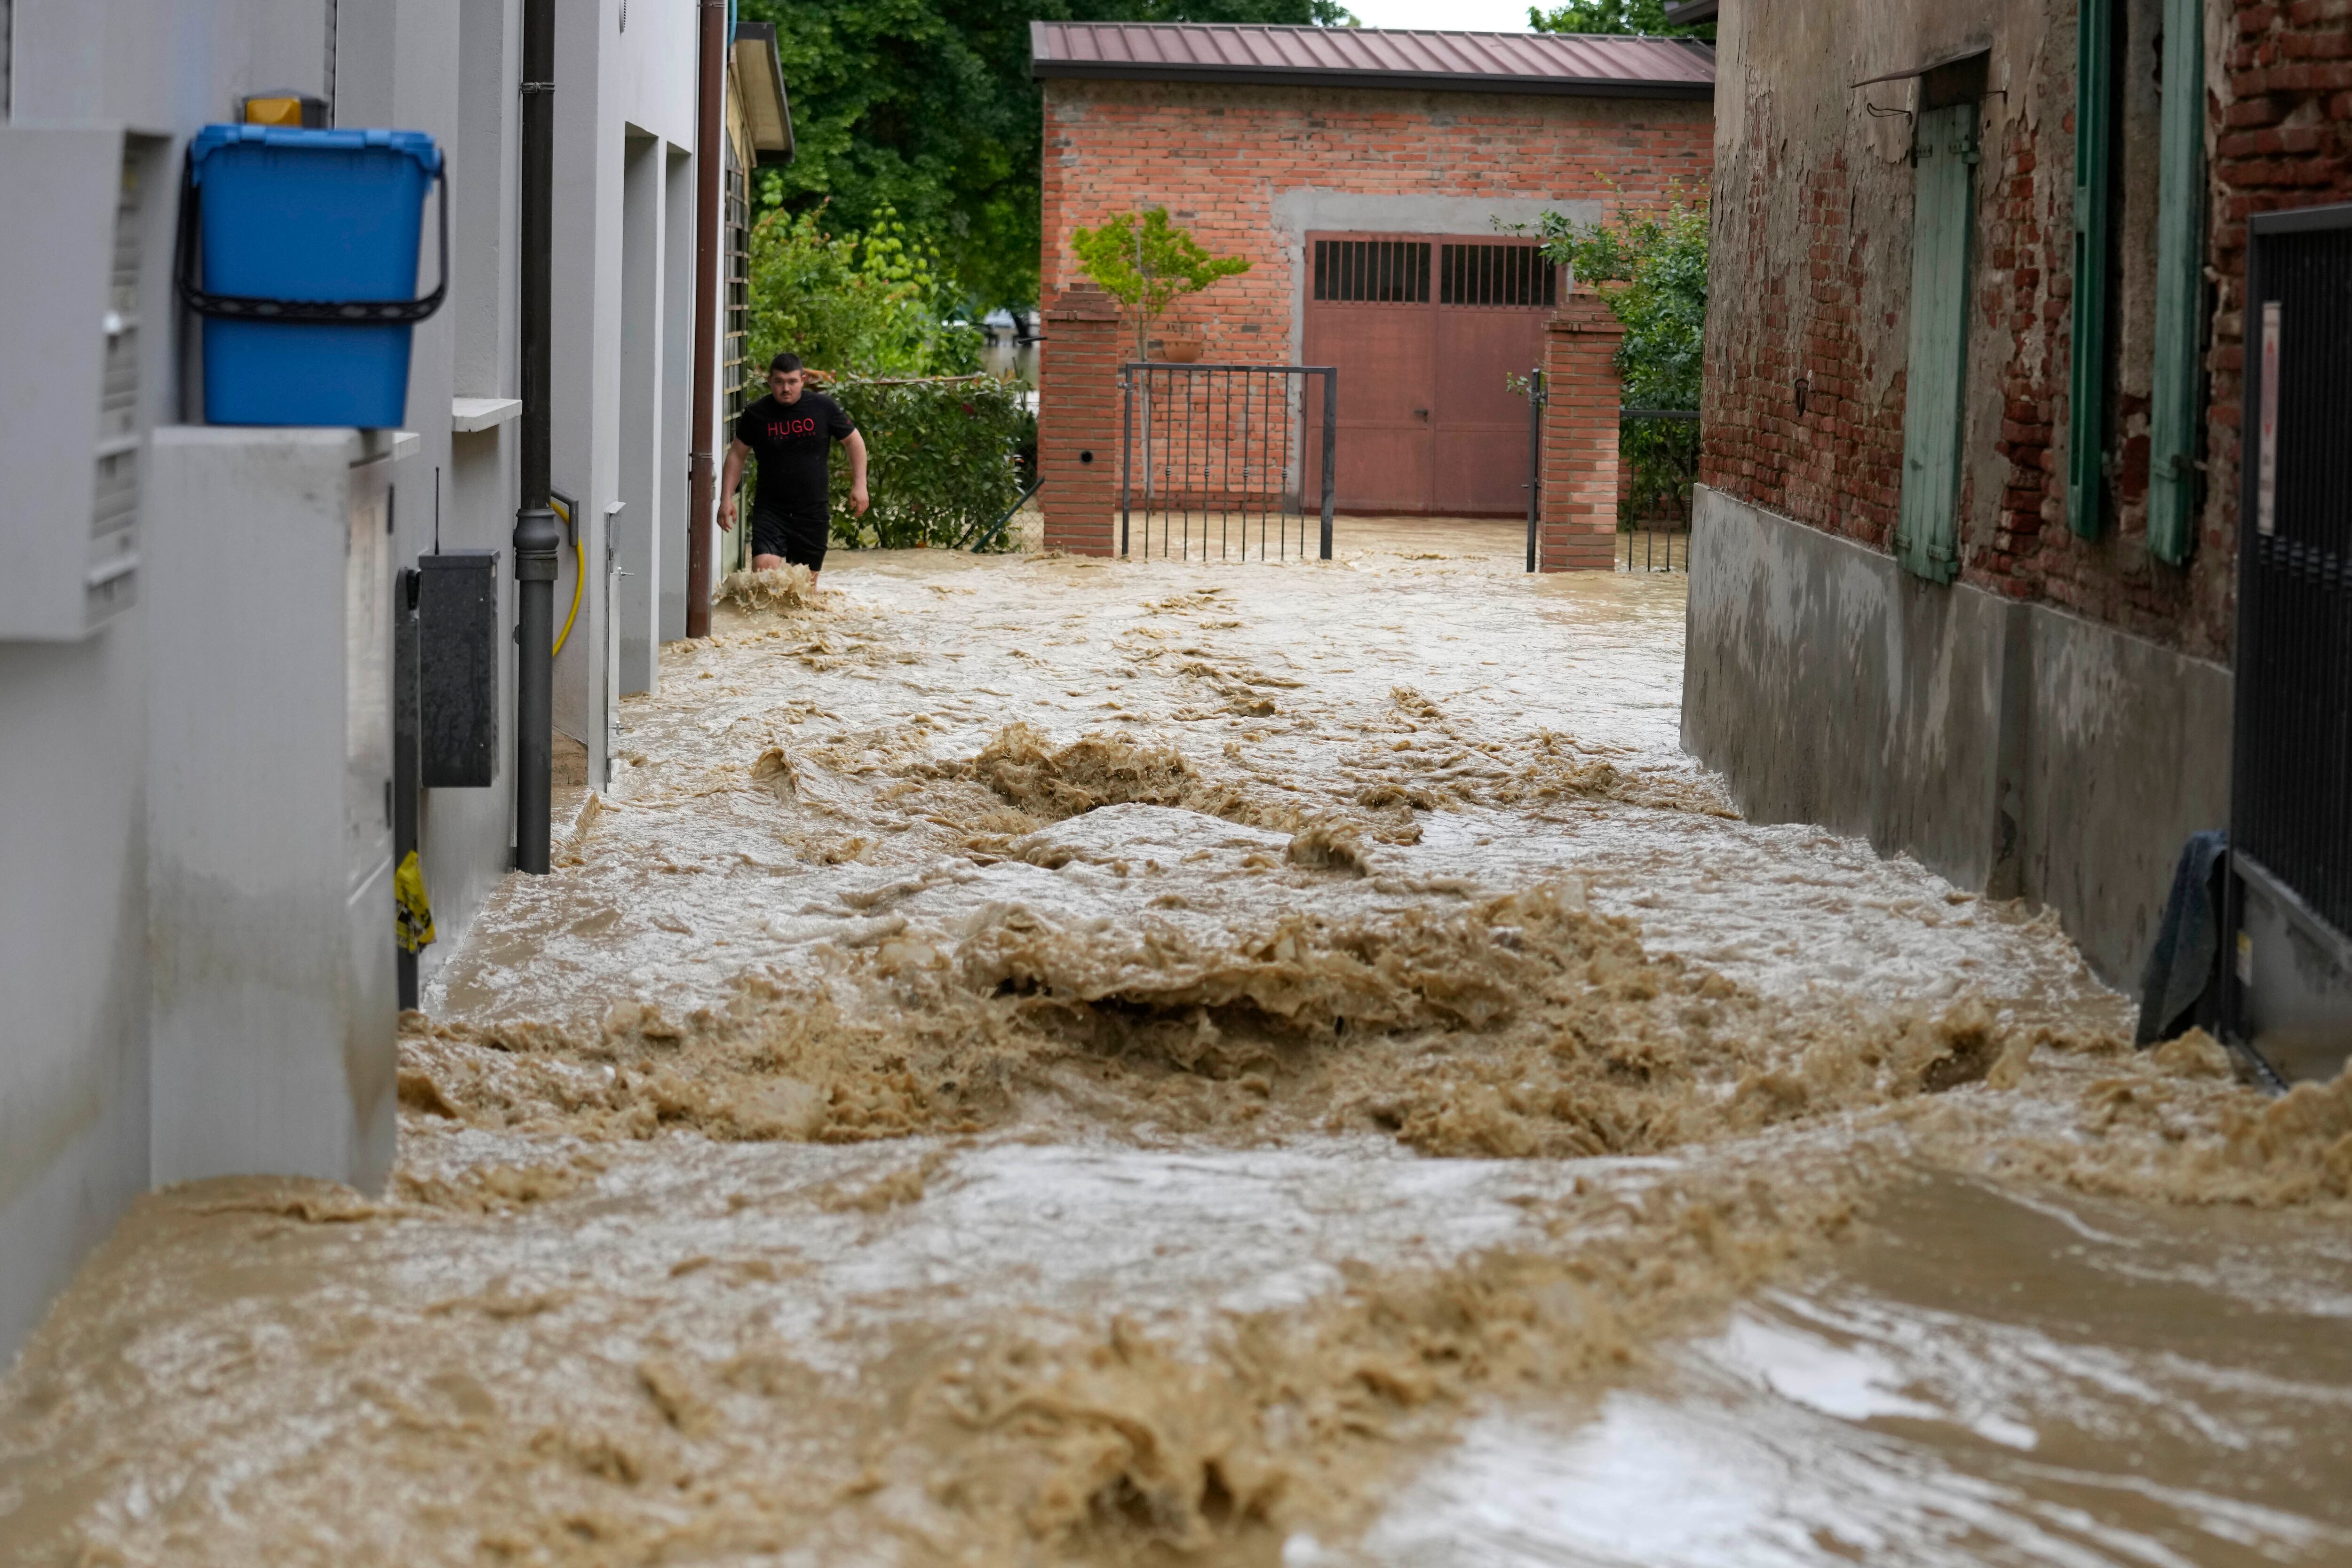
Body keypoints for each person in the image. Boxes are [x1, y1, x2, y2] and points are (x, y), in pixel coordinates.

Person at [718, 352, 869, 584]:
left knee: (804, 590)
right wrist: (726, 498)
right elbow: (737, 454)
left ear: (804, 379)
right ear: (770, 382)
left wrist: (860, 485)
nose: (785, 389)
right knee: (764, 576)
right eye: (779, 382)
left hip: (812, 511)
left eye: (792, 382)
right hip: (771, 509)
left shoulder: (823, 407)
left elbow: (853, 441)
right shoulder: (757, 414)